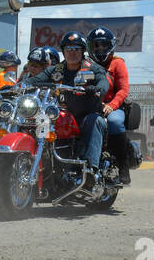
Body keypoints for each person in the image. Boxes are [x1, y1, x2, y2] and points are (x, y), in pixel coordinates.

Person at [34, 31, 108, 173]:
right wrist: (15, 87)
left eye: (76, 49)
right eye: (68, 49)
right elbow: (35, 80)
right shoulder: (56, 70)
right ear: (63, 51)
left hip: (86, 116)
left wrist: (98, 88)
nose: (72, 53)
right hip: (61, 115)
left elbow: (103, 81)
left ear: (83, 51)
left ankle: (91, 170)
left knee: (95, 120)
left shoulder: (92, 68)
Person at [88, 26, 132, 185]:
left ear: (111, 45)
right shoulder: (86, 65)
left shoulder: (117, 63)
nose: (100, 49)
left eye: (104, 45)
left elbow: (123, 89)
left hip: (113, 108)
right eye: (96, 45)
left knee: (114, 122)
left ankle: (123, 166)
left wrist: (112, 106)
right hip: (90, 106)